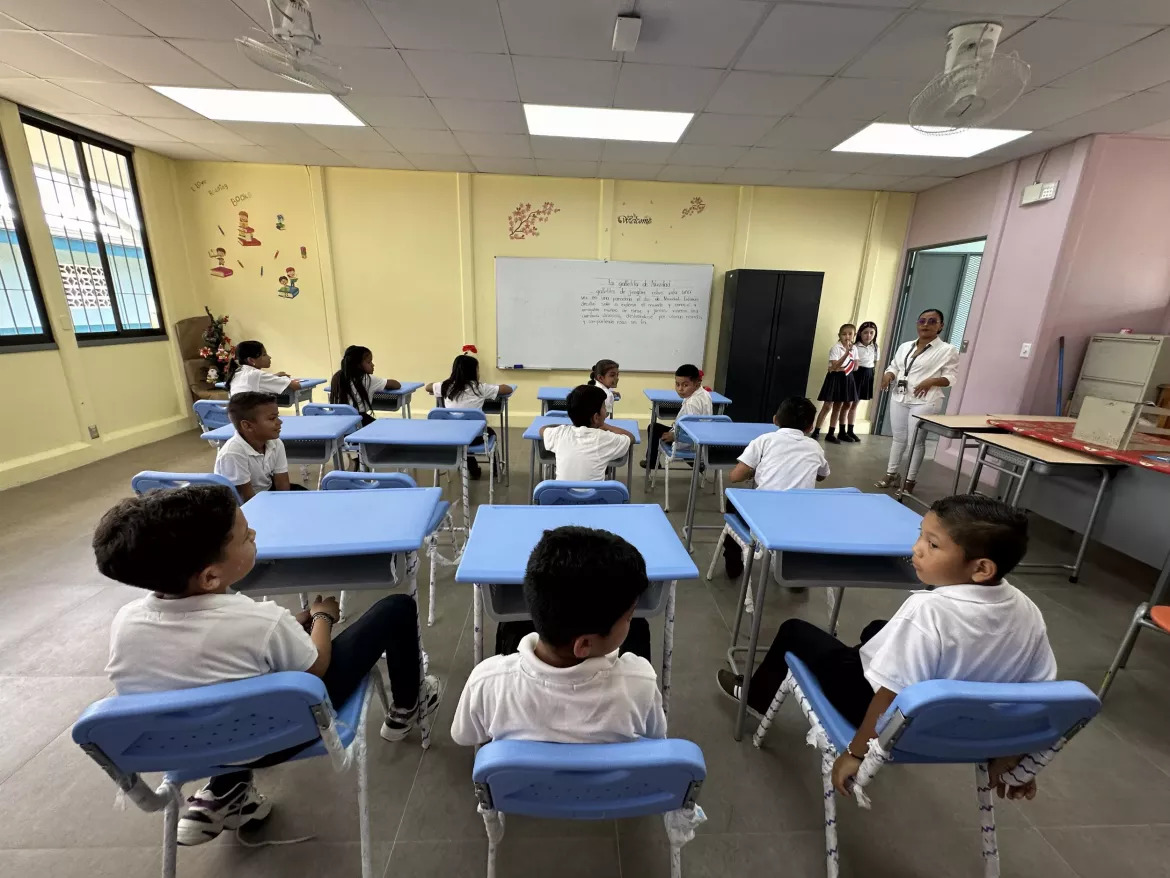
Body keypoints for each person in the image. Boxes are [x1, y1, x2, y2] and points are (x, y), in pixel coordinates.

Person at [96, 485, 441, 846]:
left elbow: (210, 660)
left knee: (218, 696)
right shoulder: (262, 621)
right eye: (246, 536)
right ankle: (408, 706)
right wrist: (322, 617)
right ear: (210, 576)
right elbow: (317, 666)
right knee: (395, 609)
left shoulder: (126, 623)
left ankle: (226, 792)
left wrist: (292, 624)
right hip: (278, 737)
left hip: (188, 747)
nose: (254, 534)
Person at [716, 494, 1055, 800]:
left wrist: (857, 752)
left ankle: (754, 696)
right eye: (921, 535)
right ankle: (864, 653)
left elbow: (889, 695)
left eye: (933, 545)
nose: (917, 549)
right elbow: (1040, 693)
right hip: (960, 728)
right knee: (878, 628)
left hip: (883, 715)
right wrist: (1013, 752)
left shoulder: (926, 610)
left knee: (794, 631)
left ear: (981, 568)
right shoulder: (1027, 610)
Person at [451, 525, 666, 744]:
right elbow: (655, 739)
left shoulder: (488, 682)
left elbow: (463, 736)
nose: (631, 622)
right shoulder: (640, 683)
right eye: (629, 618)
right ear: (584, 644)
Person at [722, 397, 829, 580]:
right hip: (800, 518)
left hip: (763, 517)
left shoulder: (764, 440)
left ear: (775, 419)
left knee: (733, 501)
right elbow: (822, 475)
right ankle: (796, 569)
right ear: (810, 427)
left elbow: (735, 477)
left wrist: (754, 471)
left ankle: (733, 563)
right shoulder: (815, 447)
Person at [875, 308, 960, 496]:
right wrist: (889, 375)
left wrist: (932, 381)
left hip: (925, 401)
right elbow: (894, 366)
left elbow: (951, 378)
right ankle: (891, 473)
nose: (926, 325)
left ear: (941, 326)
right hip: (900, 396)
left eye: (932, 321)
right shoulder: (905, 346)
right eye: (922, 321)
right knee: (898, 438)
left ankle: (909, 480)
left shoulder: (947, 350)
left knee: (916, 442)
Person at [425, 350, 515, 479]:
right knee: (490, 434)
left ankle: (473, 470)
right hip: (475, 438)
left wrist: (444, 382)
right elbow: (507, 389)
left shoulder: (445, 386)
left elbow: (428, 387)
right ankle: (496, 469)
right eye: (477, 370)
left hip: (451, 437)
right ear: (473, 372)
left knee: (463, 439)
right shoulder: (480, 388)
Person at [214, 392, 303, 501]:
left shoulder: (275, 443)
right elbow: (246, 500)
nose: (279, 422)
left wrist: (285, 504)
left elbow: (282, 483)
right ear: (247, 425)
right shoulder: (233, 453)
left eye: (277, 416)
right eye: (272, 418)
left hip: (267, 493)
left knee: (306, 499)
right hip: (243, 503)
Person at [540, 384, 636, 482]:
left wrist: (567, 427)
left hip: (561, 492)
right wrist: (607, 427)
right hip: (595, 493)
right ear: (596, 417)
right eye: (604, 407)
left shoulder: (560, 434)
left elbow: (542, 430)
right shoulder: (604, 438)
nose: (606, 411)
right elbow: (631, 438)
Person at [643, 364, 712, 470]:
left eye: (685, 385)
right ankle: (697, 464)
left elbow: (691, 431)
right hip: (703, 438)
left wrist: (675, 436)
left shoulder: (691, 403)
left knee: (653, 428)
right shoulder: (705, 394)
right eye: (677, 384)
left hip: (686, 441)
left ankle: (651, 462)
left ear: (697, 383)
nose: (680, 389)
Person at [328, 344, 402, 427]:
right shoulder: (367, 379)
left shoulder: (337, 377)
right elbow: (396, 385)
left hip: (340, 422)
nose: (372, 365)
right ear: (358, 364)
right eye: (369, 362)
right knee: (386, 428)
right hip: (359, 421)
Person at [812, 324, 859, 444]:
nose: (847, 337)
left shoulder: (854, 348)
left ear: (854, 335)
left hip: (846, 378)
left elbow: (855, 366)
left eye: (850, 334)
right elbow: (835, 366)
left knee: (838, 406)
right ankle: (816, 431)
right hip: (835, 378)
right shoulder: (836, 348)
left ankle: (831, 433)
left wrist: (849, 364)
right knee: (827, 405)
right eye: (844, 334)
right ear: (839, 335)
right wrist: (846, 354)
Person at [225, 340, 301, 398]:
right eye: (264, 354)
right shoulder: (257, 374)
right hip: (252, 413)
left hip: (237, 413)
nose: (269, 357)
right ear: (251, 360)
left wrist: (274, 376)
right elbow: (296, 386)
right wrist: (286, 379)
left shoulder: (237, 372)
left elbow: (256, 380)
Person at [842, 321, 878, 443]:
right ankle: (842, 430)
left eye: (871, 333)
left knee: (855, 405)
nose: (868, 335)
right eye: (865, 333)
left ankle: (850, 430)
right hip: (855, 375)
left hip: (867, 375)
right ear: (860, 334)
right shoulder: (855, 346)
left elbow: (875, 363)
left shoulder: (875, 347)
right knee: (847, 404)